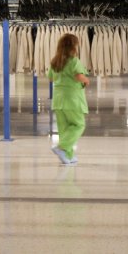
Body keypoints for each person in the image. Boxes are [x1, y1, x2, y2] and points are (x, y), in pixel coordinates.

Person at [48, 33, 89, 165]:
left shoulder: (55, 61)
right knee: (78, 125)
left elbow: (51, 78)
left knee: (64, 129)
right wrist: (86, 80)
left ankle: (68, 155)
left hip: (58, 99)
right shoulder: (73, 61)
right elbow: (78, 77)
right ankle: (62, 148)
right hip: (72, 99)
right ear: (73, 46)